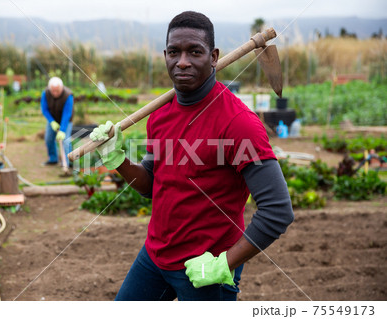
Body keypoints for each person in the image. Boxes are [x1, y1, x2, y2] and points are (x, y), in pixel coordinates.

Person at [89, 11, 294, 301]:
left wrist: (224, 263)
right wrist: (118, 160)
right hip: (155, 256)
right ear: (165, 55)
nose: (182, 61)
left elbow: (278, 211)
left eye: (194, 51)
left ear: (214, 56)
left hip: (205, 269)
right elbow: (151, 185)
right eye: (174, 52)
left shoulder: (238, 123)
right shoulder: (159, 115)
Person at [40, 77, 74, 167]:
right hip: (53, 120)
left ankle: (68, 162)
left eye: (57, 91)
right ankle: (53, 159)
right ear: (50, 89)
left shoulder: (68, 95)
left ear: (61, 88)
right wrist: (51, 121)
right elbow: (44, 109)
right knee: (48, 139)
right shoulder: (46, 93)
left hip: (66, 121)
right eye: (53, 91)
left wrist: (62, 130)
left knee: (65, 141)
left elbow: (67, 114)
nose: (55, 93)